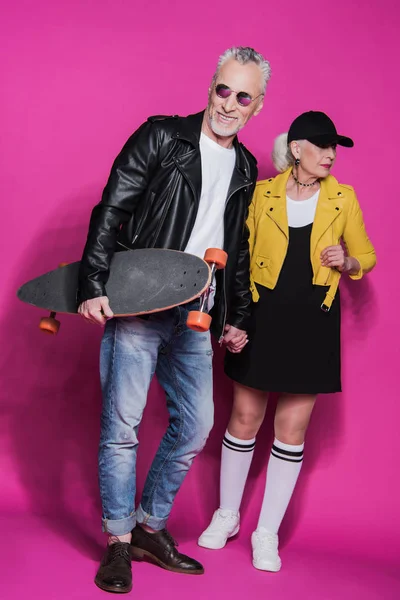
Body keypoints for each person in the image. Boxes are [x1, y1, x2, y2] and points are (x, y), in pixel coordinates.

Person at [77, 46, 271, 593]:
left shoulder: (248, 165)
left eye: (243, 97)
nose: (229, 105)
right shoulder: (163, 137)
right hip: (138, 302)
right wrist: (94, 285)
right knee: (122, 428)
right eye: (223, 90)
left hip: (198, 313)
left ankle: (148, 528)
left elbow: (235, 247)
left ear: (257, 106)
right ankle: (117, 542)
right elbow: (111, 208)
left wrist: (236, 315)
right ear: (210, 85)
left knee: (196, 425)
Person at [198, 110, 377, 572]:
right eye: (322, 145)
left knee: (291, 432)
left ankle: (266, 533)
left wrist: (349, 261)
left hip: (313, 324)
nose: (331, 154)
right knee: (242, 418)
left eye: (335, 147)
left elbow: (367, 257)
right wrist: (233, 319)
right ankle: (227, 515)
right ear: (296, 149)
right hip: (262, 317)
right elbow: (237, 259)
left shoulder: (344, 198)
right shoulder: (262, 194)